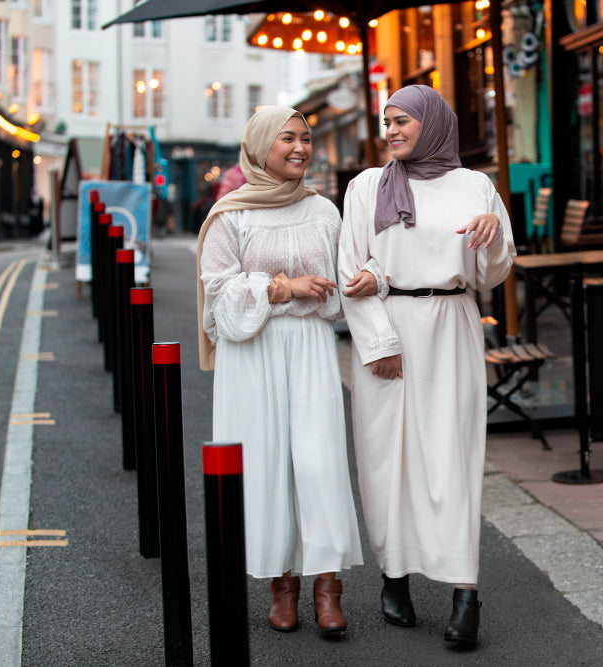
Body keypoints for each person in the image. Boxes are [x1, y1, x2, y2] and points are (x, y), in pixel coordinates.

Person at [337, 84, 516, 648]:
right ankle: (395, 575)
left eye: (402, 121)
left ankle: (465, 591)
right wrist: (378, 343)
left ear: (432, 123)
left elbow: (493, 273)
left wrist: (489, 241)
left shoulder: (476, 186)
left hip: (452, 325)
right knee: (386, 458)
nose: (390, 130)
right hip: (389, 330)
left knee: (452, 457)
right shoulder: (368, 186)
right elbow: (352, 269)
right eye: (386, 121)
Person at [196, 106, 363, 638]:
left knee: (318, 463)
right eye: (288, 138)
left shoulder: (324, 211)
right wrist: (281, 287)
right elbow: (217, 295)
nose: (300, 148)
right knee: (265, 463)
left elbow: (344, 282)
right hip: (252, 352)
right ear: (260, 144)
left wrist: (364, 279)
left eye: (307, 139)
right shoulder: (230, 214)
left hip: (310, 347)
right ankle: (282, 584)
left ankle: (327, 587)